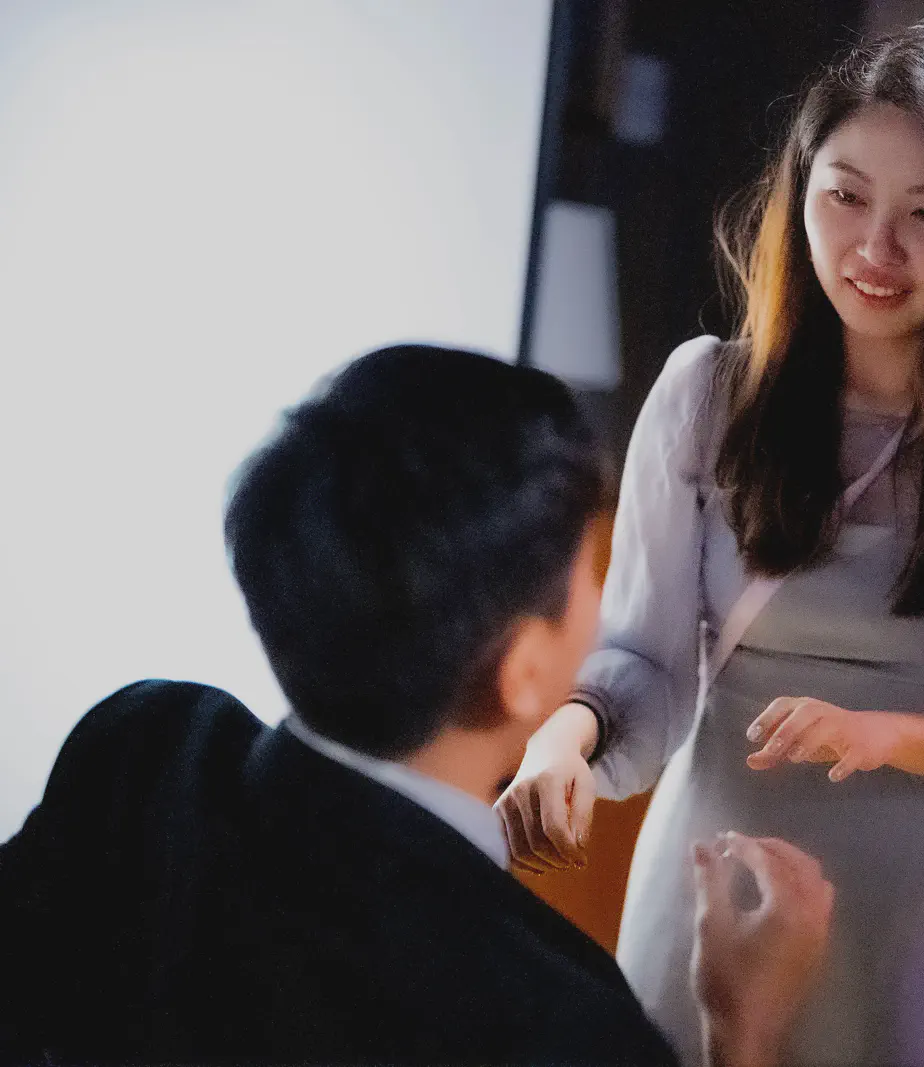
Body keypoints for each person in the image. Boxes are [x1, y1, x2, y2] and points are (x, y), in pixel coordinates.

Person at [500, 20, 924, 1067]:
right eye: (846, 196)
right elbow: (640, 659)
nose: (877, 248)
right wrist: (564, 739)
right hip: (714, 873)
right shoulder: (708, 394)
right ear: (799, 192)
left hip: (912, 906)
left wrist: (885, 733)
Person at [0, 345, 833, 1067]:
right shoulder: (563, 1027)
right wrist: (744, 1029)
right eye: (588, 572)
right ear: (523, 672)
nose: (598, 599)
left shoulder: (144, 751)